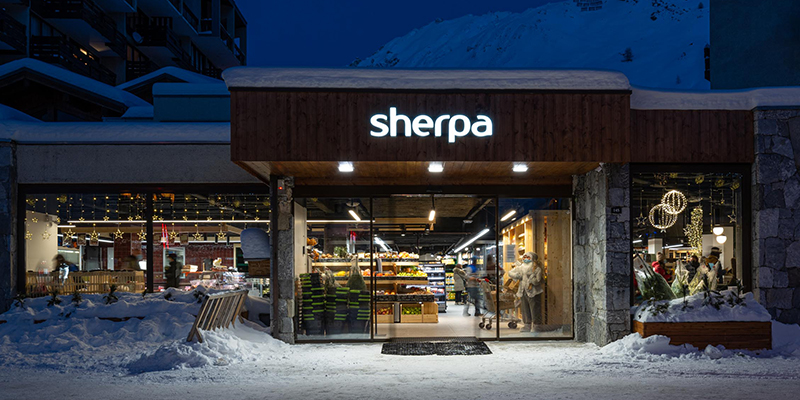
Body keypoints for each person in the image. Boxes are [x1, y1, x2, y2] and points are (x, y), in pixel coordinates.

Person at [508, 252, 543, 332]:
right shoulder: (521, 267)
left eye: (528, 257)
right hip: (523, 291)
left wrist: (532, 280)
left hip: (533, 292)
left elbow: (538, 280)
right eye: (524, 257)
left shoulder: (536, 268)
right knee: (525, 309)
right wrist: (517, 276)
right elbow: (510, 272)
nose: (526, 259)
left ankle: (536, 325)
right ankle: (527, 324)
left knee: (535, 309)